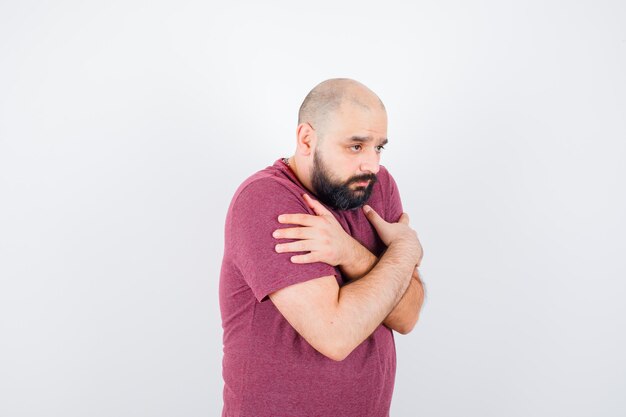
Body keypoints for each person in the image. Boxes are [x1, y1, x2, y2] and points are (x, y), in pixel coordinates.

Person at [219, 78, 425, 417]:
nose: (371, 165)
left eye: (379, 147)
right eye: (356, 146)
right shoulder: (265, 199)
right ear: (307, 139)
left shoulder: (377, 186)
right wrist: (403, 252)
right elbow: (335, 335)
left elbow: (407, 315)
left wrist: (351, 253)